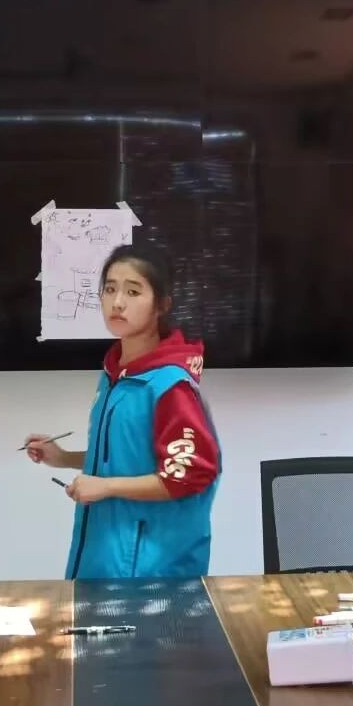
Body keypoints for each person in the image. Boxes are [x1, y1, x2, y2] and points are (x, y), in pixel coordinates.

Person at [24, 243, 221, 578]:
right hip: (103, 557)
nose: (117, 302)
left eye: (133, 291)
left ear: (162, 304)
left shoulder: (170, 386)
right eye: (110, 289)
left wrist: (106, 487)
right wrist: (64, 457)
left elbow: (188, 474)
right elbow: (126, 457)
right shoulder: (115, 375)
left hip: (149, 573)